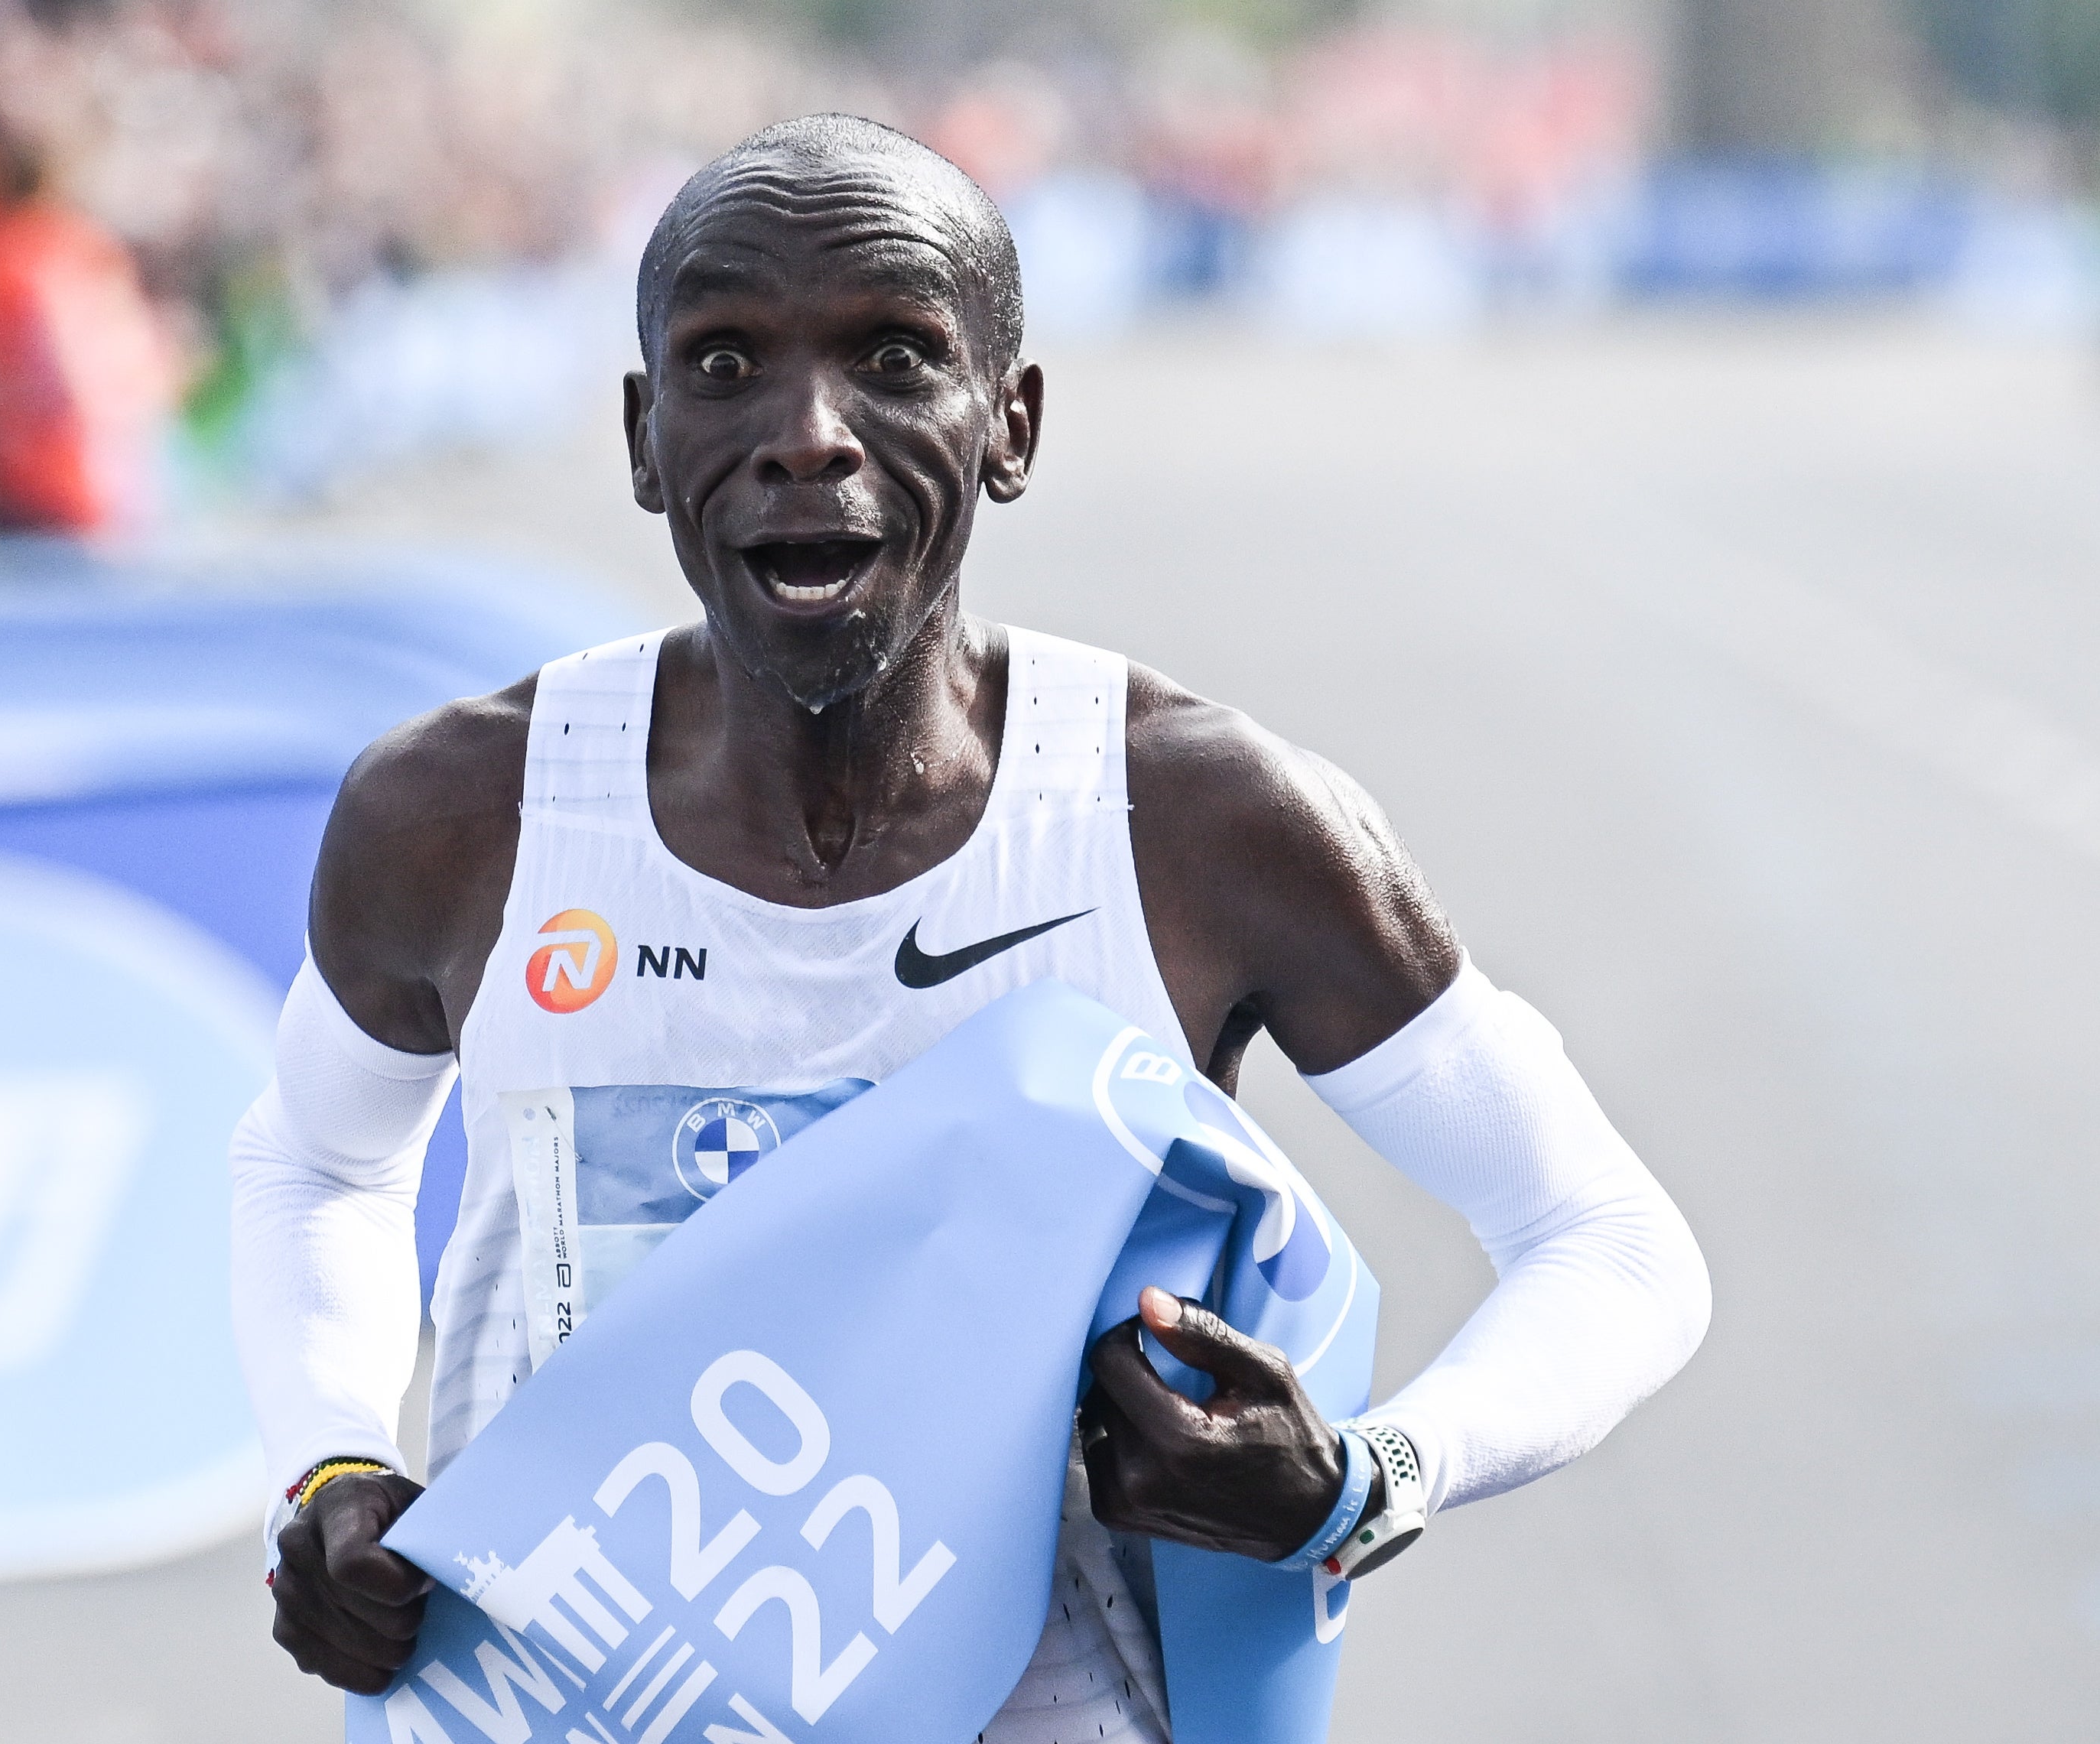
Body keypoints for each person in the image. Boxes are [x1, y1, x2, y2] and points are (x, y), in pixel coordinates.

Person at [229, 114, 1710, 1736]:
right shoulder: (465, 814)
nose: (807, 434)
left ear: (1009, 422)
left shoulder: (1197, 823)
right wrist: (333, 1457)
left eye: (892, 356)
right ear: (647, 438)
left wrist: (1365, 1482)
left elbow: (1611, 1244)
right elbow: (315, 1161)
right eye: (726, 362)